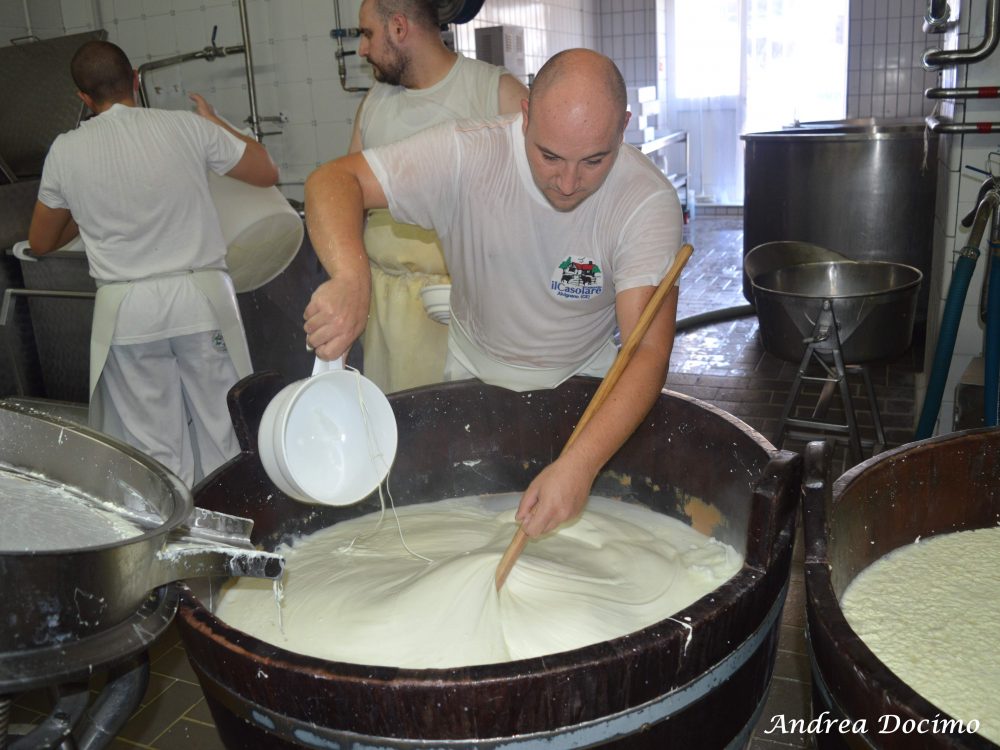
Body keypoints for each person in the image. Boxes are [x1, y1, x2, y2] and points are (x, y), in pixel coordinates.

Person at [303, 48, 683, 537]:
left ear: (624, 126)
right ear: (524, 116)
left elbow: (646, 349)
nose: (568, 183)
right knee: (462, 532)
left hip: (585, 382)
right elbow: (333, 180)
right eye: (549, 156)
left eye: (594, 160)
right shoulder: (467, 156)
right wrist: (351, 278)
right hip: (471, 372)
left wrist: (581, 463)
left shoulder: (644, 199)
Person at [28, 40, 279, 487]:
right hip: (200, 302)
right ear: (137, 81)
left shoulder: (65, 151)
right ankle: (233, 536)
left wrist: (87, 213)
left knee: (154, 447)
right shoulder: (185, 127)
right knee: (224, 429)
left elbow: (41, 240)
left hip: (129, 313)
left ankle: (171, 541)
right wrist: (215, 122)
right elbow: (265, 171)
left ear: (84, 98)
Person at [348, 0, 528, 392]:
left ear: (398, 27)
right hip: (389, 315)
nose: (362, 49)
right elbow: (348, 196)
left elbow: (539, 204)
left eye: (367, 34)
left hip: (476, 311)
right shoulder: (374, 104)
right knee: (401, 436)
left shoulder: (494, 93)